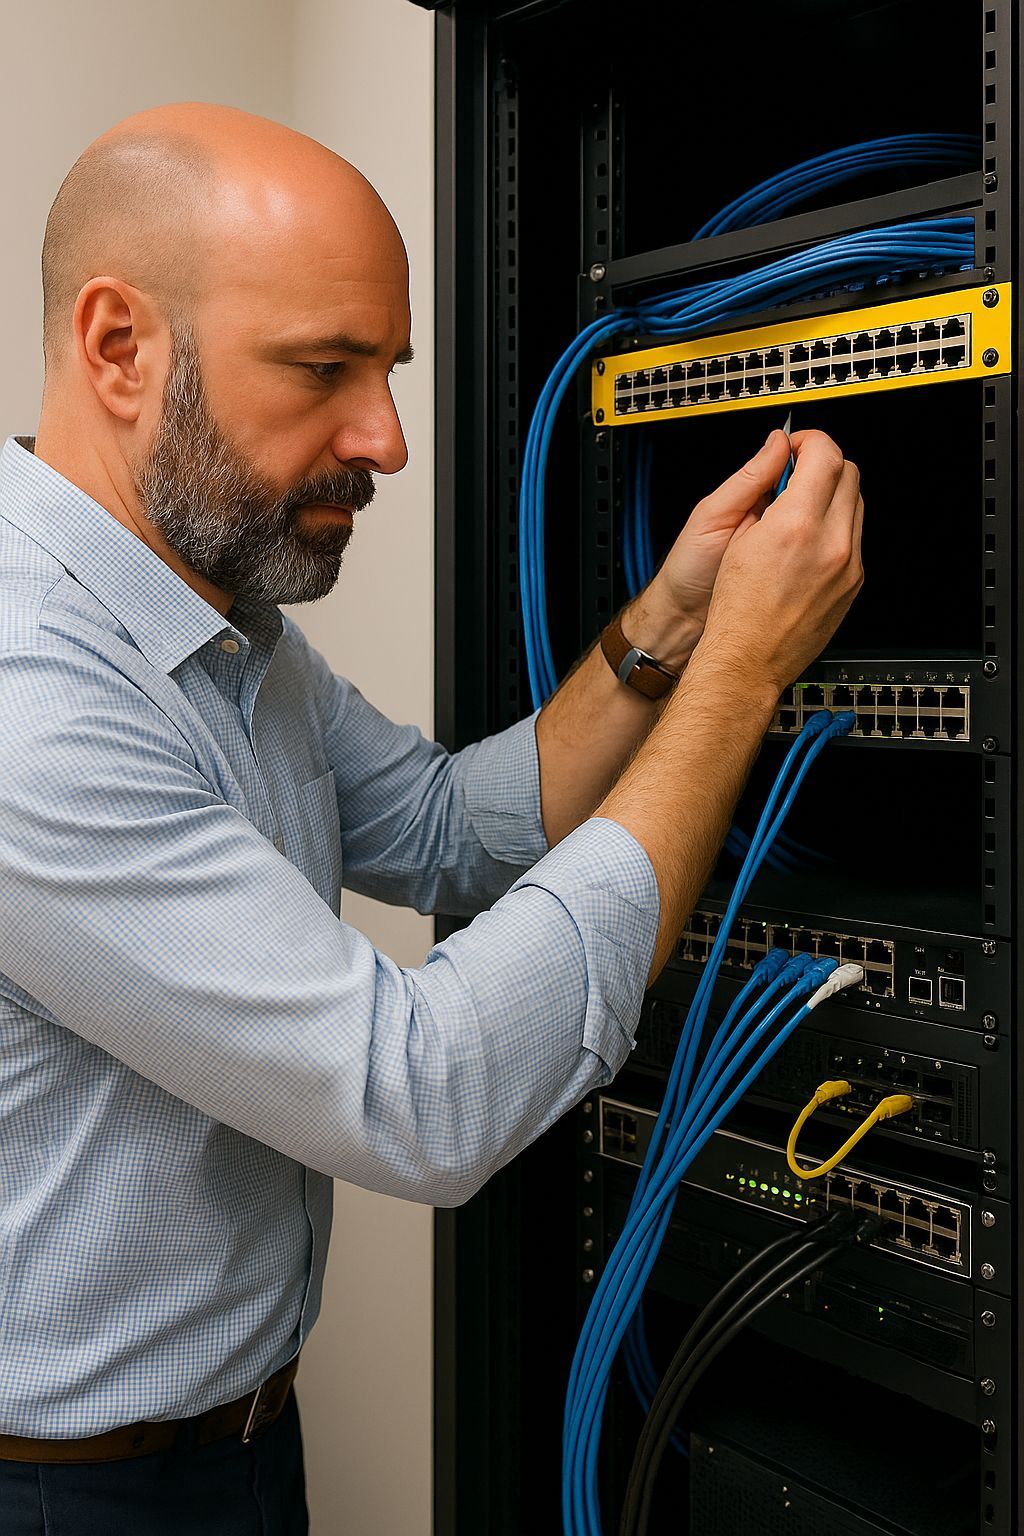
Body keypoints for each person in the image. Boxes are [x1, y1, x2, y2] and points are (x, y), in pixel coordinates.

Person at [0, 102, 862, 1533]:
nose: (388, 439)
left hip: (232, 1445)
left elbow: (462, 826)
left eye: (387, 370)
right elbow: (424, 1099)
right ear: (118, 347)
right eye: (324, 370)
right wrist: (747, 679)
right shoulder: (36, 697)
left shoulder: (226, 626)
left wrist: (672, 623)